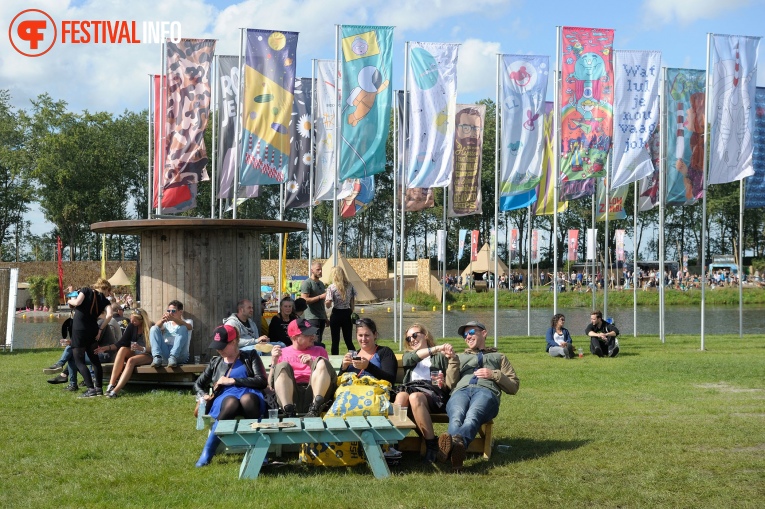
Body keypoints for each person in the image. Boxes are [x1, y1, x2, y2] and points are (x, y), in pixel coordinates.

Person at [438, 321, 519, 471]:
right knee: (456, 415)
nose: (467, 337)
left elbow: (513, 387)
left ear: (484, 333)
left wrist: (494, 374)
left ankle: (450, 448)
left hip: (486, 392)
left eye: (471, 332)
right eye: (465, 335)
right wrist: (453, 361)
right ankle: (457, 451)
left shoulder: (499, 357)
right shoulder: (460, 357)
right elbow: (450, 385)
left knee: (472, 415)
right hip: (460, 391)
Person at [193, 324, 269, 467]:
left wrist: (233, 380)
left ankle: (258, 450)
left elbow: (261, 381)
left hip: (250, 394)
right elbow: (197, 384)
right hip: (225, 398)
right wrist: (203, 395)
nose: (219, 349)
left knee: (248, 399)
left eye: (222, 346)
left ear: (234, 342)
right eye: (217, 346)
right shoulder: (216, 362)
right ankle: (207, 452)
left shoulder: (250, 356)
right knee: (231, 402)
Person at [393, 323, 459, 462]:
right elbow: (415, 357)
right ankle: (394, 443)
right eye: (408, 338)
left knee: (415, 397)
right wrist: (437, 348)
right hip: (411, 390)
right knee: (400, 397)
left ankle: (431, 444)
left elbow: (449, 383)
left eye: (415, 335)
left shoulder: (439, 357)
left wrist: (442, 382)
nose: (412, 339)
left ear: (426, 335)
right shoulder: (408, 357)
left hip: (433, 396)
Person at [270, 319, 337, 418]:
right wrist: (274, 361)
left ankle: (315, 409)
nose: (312, 337)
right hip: (291, 395)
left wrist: (312, 364)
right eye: (307, 335)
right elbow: (271, 385)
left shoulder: (320, 350)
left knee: (321, 361)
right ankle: (289, 411)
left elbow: (326, 377)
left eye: (312, 333)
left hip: (314, 393)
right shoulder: (281, 352)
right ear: (295, 337)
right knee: (282, 366)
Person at [66, 278, 114, 398]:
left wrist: (69, 300)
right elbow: (110, 315)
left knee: (78, 360)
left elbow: (77, 303)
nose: (109, 294)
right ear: (105, 288)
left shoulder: (86, 290)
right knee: (94, 360)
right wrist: (101, 329)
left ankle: (90, 389)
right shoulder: (105, 300)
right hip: (93, 329)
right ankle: (98, 388)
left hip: (79, 329)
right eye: (109, 291)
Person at [98, 308, 153, 398]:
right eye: (131, 319)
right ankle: (111, 384)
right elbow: (121, 343)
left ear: (142, 320)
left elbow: (155, 349)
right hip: (136, 352)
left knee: (131, 361)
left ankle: (116, 390)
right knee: (123, 349)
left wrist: (142, 348)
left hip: (148, 354)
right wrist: (107, 348)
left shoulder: (151, 328)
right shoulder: (132, 326)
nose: (131, 322)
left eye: (134, 320)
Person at [339, 318, 397, 386]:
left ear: (375, 335)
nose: (363, 339)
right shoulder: (353, 355)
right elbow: (339, 383)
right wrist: (343, 368)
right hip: (350, 393)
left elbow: (390, 380)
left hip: (374, 393)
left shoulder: (385, 352)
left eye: (367, 335)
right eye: (360, 335)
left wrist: (368, 366)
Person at [149, 300, 192, 368]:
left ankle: (173, 356)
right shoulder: (166, 324)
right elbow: (155, 329)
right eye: (169, 311)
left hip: (180, 354)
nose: (171, 313)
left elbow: (189, 327)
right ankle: (157, 357)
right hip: (166, 353)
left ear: (180, 312)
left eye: (173, 311)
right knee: (153, 328)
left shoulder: (187, 322)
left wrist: (173, 319)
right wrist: (162, 320)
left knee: (183, 328)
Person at [324, 266, 357, 355]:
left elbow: (328, 305)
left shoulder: (331, 287)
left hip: (336, 313)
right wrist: (351, 310)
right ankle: (355, 358)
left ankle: (334, 360)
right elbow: (353, 301)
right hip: (347, 312)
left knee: (335, 341)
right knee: (348, 340)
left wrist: (327, 302)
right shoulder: (350, 286)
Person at [300, 261, 328, 345]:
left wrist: (325, 317)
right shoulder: (307, 283)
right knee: (313, 341)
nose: (320, 271)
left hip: (321, 318)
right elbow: (304, 300)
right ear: (312, 270)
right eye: (318, 269)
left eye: (321, 269)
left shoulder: (321, 284)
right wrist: (320, 297)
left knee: (319, 341)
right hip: (312, 318)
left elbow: (322, 303)